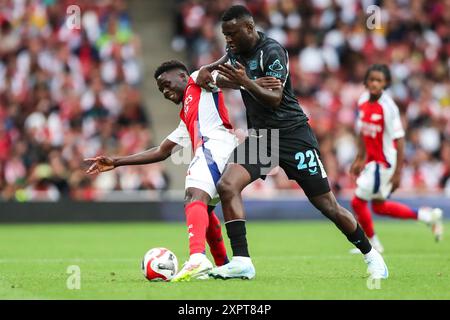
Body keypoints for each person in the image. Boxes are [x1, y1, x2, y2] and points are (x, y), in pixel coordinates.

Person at [195, 5, 388, 280]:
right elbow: (210, 73)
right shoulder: (235, 50)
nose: (228, 40)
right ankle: (242, 260)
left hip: (293, 134)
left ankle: (372, 256)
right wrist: (209, 73)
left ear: (249, 28)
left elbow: (273, 98)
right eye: (225, 34)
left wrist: (244, 82)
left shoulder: (272, 51)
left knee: (327, 205)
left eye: (232, 34)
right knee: (228, 185)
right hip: (263, 138)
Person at [84, 60, 281, 282]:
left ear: (181, 76)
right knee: (204, 209)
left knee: (192, 196)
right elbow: (162, 151)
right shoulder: (187, 116)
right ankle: (224, 265)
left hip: (214, 146)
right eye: (161, 90)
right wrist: (117, 161)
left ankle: (197, 258)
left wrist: (249, 82)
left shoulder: (196, 80)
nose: (165, 92)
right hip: (219, 150)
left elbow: (220, 78)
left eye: (167, 84)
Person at [349, 64, 443, 254]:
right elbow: (362, 131)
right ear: (366, 81)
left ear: (386, 83)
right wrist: (360, 156)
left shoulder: (388, 107)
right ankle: (428, 216)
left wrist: (398, 172)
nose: (374, 83)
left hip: (383, 163)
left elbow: (399, 140)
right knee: (380, 207)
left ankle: (373, 245)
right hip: (371, 162)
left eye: (379, 80)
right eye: (371, 79)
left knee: (357, 202)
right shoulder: (362, 101)